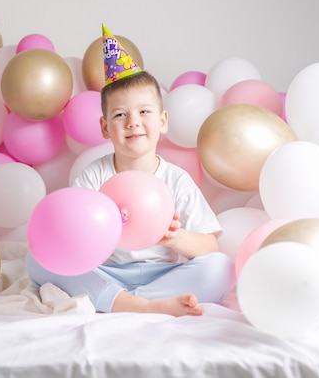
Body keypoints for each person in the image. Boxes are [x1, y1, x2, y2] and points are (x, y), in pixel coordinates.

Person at [26, 25, 235, 316]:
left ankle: (125, 302)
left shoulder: (176, 179)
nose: (133, 122)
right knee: (37, 260)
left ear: (162, 121)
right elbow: (72, 234)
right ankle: (142, 305)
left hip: (163, 275)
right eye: (120, 114)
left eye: (144, 112)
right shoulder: (93, 176)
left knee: (221, 267)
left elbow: (209, 246)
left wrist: (176, 237)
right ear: (104, 127)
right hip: (107, 273)